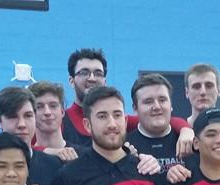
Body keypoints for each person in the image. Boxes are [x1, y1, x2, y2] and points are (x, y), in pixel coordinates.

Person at [62, 48, 194, 156]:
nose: (92, 78)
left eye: (98, 73)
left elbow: (159, 119)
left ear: (105, 81)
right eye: (84, 72)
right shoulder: (62, 121)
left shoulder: (118, 120)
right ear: (71, 80)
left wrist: (186, 130)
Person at [126, 73, 187, 175]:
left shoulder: (188, 143)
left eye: (162, 100)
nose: (157, 107)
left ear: (171, 104)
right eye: (148, 102)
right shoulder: (125, 149)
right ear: (135, 108)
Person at [29, 81, 80, 162]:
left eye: (53, 106)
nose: (47, 112)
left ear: (62, 111)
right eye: (39, 107)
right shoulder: (25, 158)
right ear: (31, 115)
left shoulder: (83, 155)